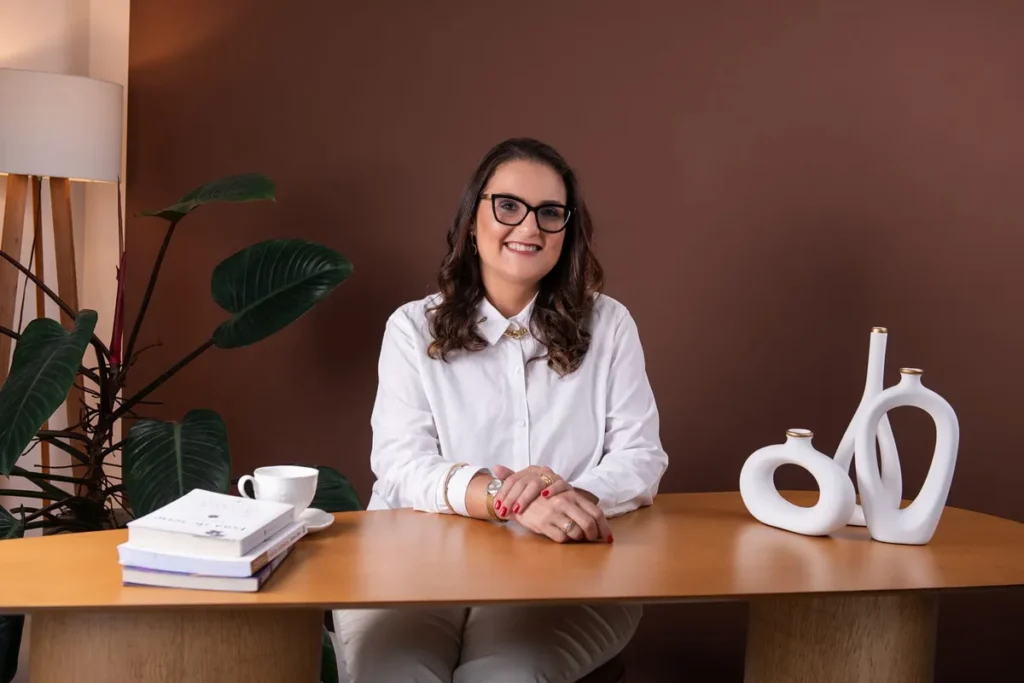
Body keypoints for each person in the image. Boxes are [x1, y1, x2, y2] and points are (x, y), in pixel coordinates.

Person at [333, 137, 669, 683]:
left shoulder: (610, 326)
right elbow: (400, 463)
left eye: (550, 213)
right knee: (392, 673)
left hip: (562, 571)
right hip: (414, 568)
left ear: (568, 232)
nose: (529, 227)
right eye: (508, 206)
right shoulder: (411, 328)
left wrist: (565, 498)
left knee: (502, 677)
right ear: (472, 219)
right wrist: (505, 498)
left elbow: (641, 458)